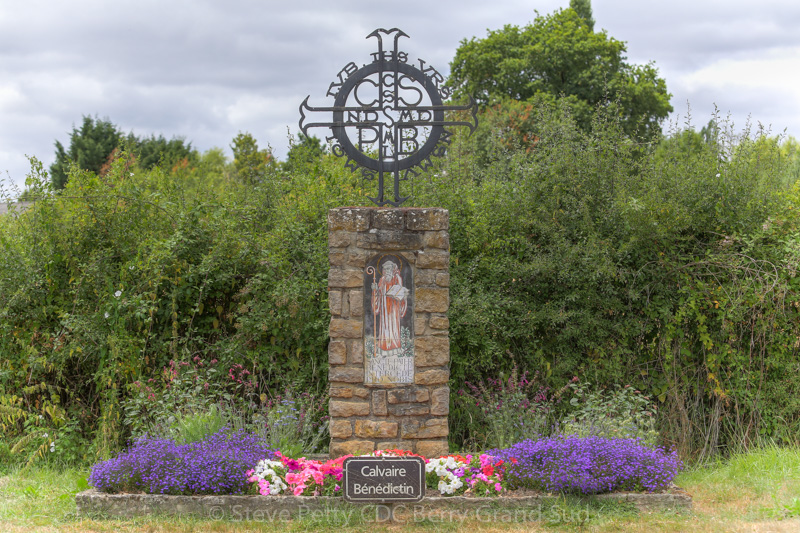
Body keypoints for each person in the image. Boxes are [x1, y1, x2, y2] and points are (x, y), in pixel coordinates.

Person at [371, 260, 408, 357]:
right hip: (384, 308)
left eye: (388, 269)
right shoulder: (382, 280)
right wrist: (375, 290)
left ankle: (394, 348)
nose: (387, 271)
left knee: (393, 327)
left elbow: (400, 291)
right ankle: (384, 350)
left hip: (394, 307)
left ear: (392, 269)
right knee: (385, 327)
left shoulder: (397, 278)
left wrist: (401, 295)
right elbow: (378, 294)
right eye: (385, 269)